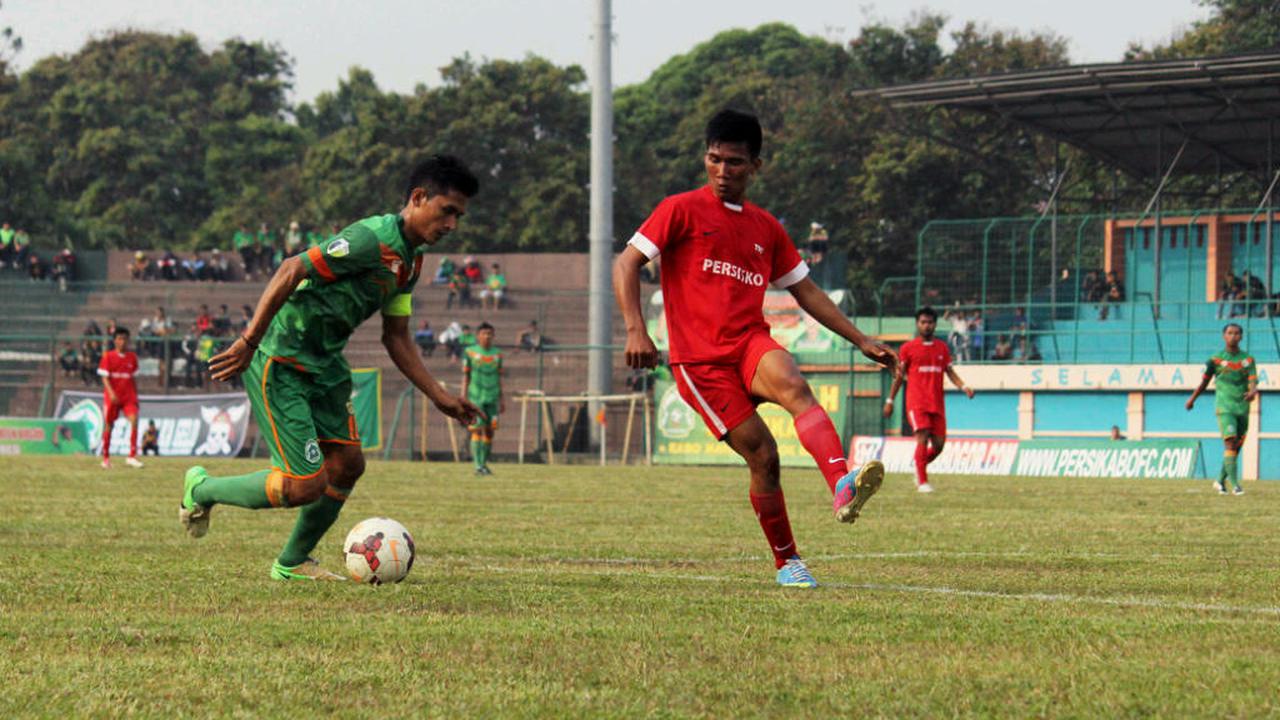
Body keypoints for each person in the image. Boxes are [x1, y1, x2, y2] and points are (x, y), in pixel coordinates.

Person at [613, 109, 896, 589]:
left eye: (735, 163)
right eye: (714, 159)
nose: (723, 171)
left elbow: (807, 292)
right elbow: (627, 263)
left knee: (794, 384)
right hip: (700, 364)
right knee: (764, 457)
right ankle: (788, 562)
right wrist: (636, 329)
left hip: (748, 343)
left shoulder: (766, 228)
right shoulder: (679, 209)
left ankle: (841, 485)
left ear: (756, 166)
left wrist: (860, 338)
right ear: (706, 158)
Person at [178, 155, 482, 582]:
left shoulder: (411, 263)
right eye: (447, 210)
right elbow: (291, 268)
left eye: (458, 216)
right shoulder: (370, 238)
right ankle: (202, 488)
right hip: (280, 356)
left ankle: (292, 564)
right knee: (304, 484)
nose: (452, 224)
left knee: (347, 465)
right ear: (418, 198)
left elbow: (396, 336)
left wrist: (440, 396)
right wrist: (249, 341)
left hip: (324, 364)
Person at [883, 307, 975, 493]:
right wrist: (890, 400)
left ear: (935, 324)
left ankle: (919, 466)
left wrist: (963, 386)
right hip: (917, 403)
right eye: (923, 322)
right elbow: (899, 377)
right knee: (922, 438)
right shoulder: (908, 349)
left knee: (939, 445)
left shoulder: (941, 347)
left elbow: (949, 371)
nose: (927, 326)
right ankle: (922, 482)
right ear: (918, 324)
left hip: (937, 403)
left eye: (930, 322)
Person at [1186, 323, 1257, 496]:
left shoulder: (1248, 360)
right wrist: (1192, 399)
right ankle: (1235, 485)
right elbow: (1204, 383)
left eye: (1237, 333)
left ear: (1241, 337)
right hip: (1225, 407)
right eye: (1230, 333)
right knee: (1230, 442)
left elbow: (1253, 381)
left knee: (1235, 447)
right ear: (1224, 336)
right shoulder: (1215, 360)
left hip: (1242, 408)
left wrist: (1252, 392)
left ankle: (1219, 480)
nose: (1233, 336)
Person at [98, 327, 144, 469]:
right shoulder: (108, 356)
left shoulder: (132, 358)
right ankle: (106, 458)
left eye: (125, 339)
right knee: (109, 425)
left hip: (128, 397)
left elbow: (133, 379)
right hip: (113, 397)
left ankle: (131, 456)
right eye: (119, 339)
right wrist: (111, 393)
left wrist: (136, 396)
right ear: (115, 341)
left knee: (134, 420)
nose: (122, 342)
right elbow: (104, 378)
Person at [462, 322, 503, 476]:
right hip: (475, 397)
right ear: (478, 335)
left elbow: (500, 377)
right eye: (484, 333)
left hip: (493, 398)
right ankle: (478, 465)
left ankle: (484, 464)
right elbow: (466, 376)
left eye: (490, 334)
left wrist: (502, 399)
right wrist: (463, 397)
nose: (487, 336)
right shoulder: (470, 352)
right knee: (477, 430)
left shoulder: (497, 354)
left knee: (490, 432)